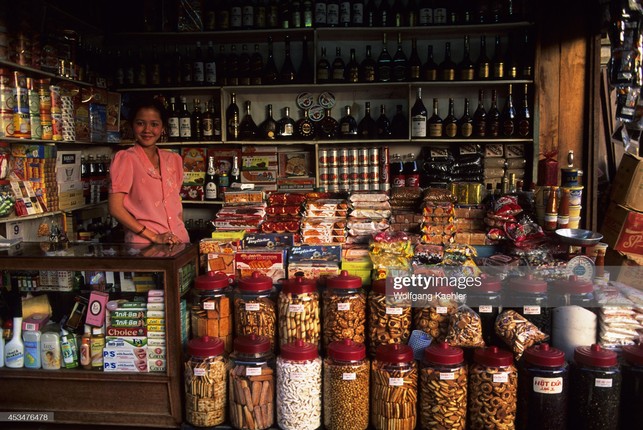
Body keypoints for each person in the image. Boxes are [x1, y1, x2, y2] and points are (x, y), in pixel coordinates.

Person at [109, 98, 189, 244]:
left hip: (179, 242)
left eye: (154, 124)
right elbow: (115, 208)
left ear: (163, 127)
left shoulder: (174, 159)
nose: (147, 130)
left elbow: (176, 205)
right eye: (140, 123)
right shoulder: (126, 159)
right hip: (145, 246)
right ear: (132, 126)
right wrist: (153, 236)